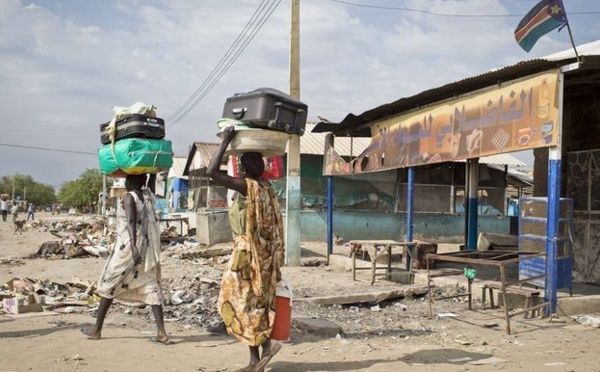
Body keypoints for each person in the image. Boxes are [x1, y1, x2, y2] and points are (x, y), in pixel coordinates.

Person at [207, 126, 285, 372]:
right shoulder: (266, 188)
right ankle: (262, 353)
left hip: (246, 251)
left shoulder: (246, 187)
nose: (238, 168)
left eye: (241, 164)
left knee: (239, 300)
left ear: (247, 169)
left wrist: (225, 142)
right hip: (264, 252)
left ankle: (255, 359)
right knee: (257, 301)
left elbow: (211, 172)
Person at [80, 174, 169, 344]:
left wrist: (133, 246)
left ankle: (96, 330)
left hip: (128, 247)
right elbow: (150, 184)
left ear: (135, 182)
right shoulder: (147, 195)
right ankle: (161, 332)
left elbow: (130, 222)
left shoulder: (129, 197)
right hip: (146, 247)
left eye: (128, 180)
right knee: (150, 285)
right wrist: (153, 171)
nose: (126, 183)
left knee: (109, 283)